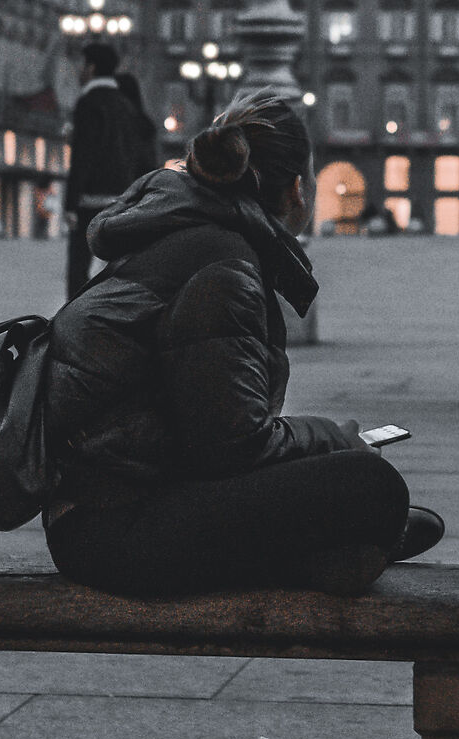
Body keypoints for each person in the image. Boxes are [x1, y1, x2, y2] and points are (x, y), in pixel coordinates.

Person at [43, 95, 439, 598]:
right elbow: (232, 448)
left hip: (101, 506)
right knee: (373, 488)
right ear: (298, 188)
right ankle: (329, 547)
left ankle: (330, 548)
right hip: (116, 532)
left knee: (343, 482)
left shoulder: (188, 237)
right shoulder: (223, 266)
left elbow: (209, 424)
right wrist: (336, 438)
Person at [64, 41, 160, 298]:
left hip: (90, 199)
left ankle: (75, 314)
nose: (80, 71)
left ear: (92, 67)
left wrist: (71, 203)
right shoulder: (127, 106)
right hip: (121, 199)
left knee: (78, 267)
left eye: (83, 65)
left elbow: (82, 154)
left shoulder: (89, 102)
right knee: (120, 265)